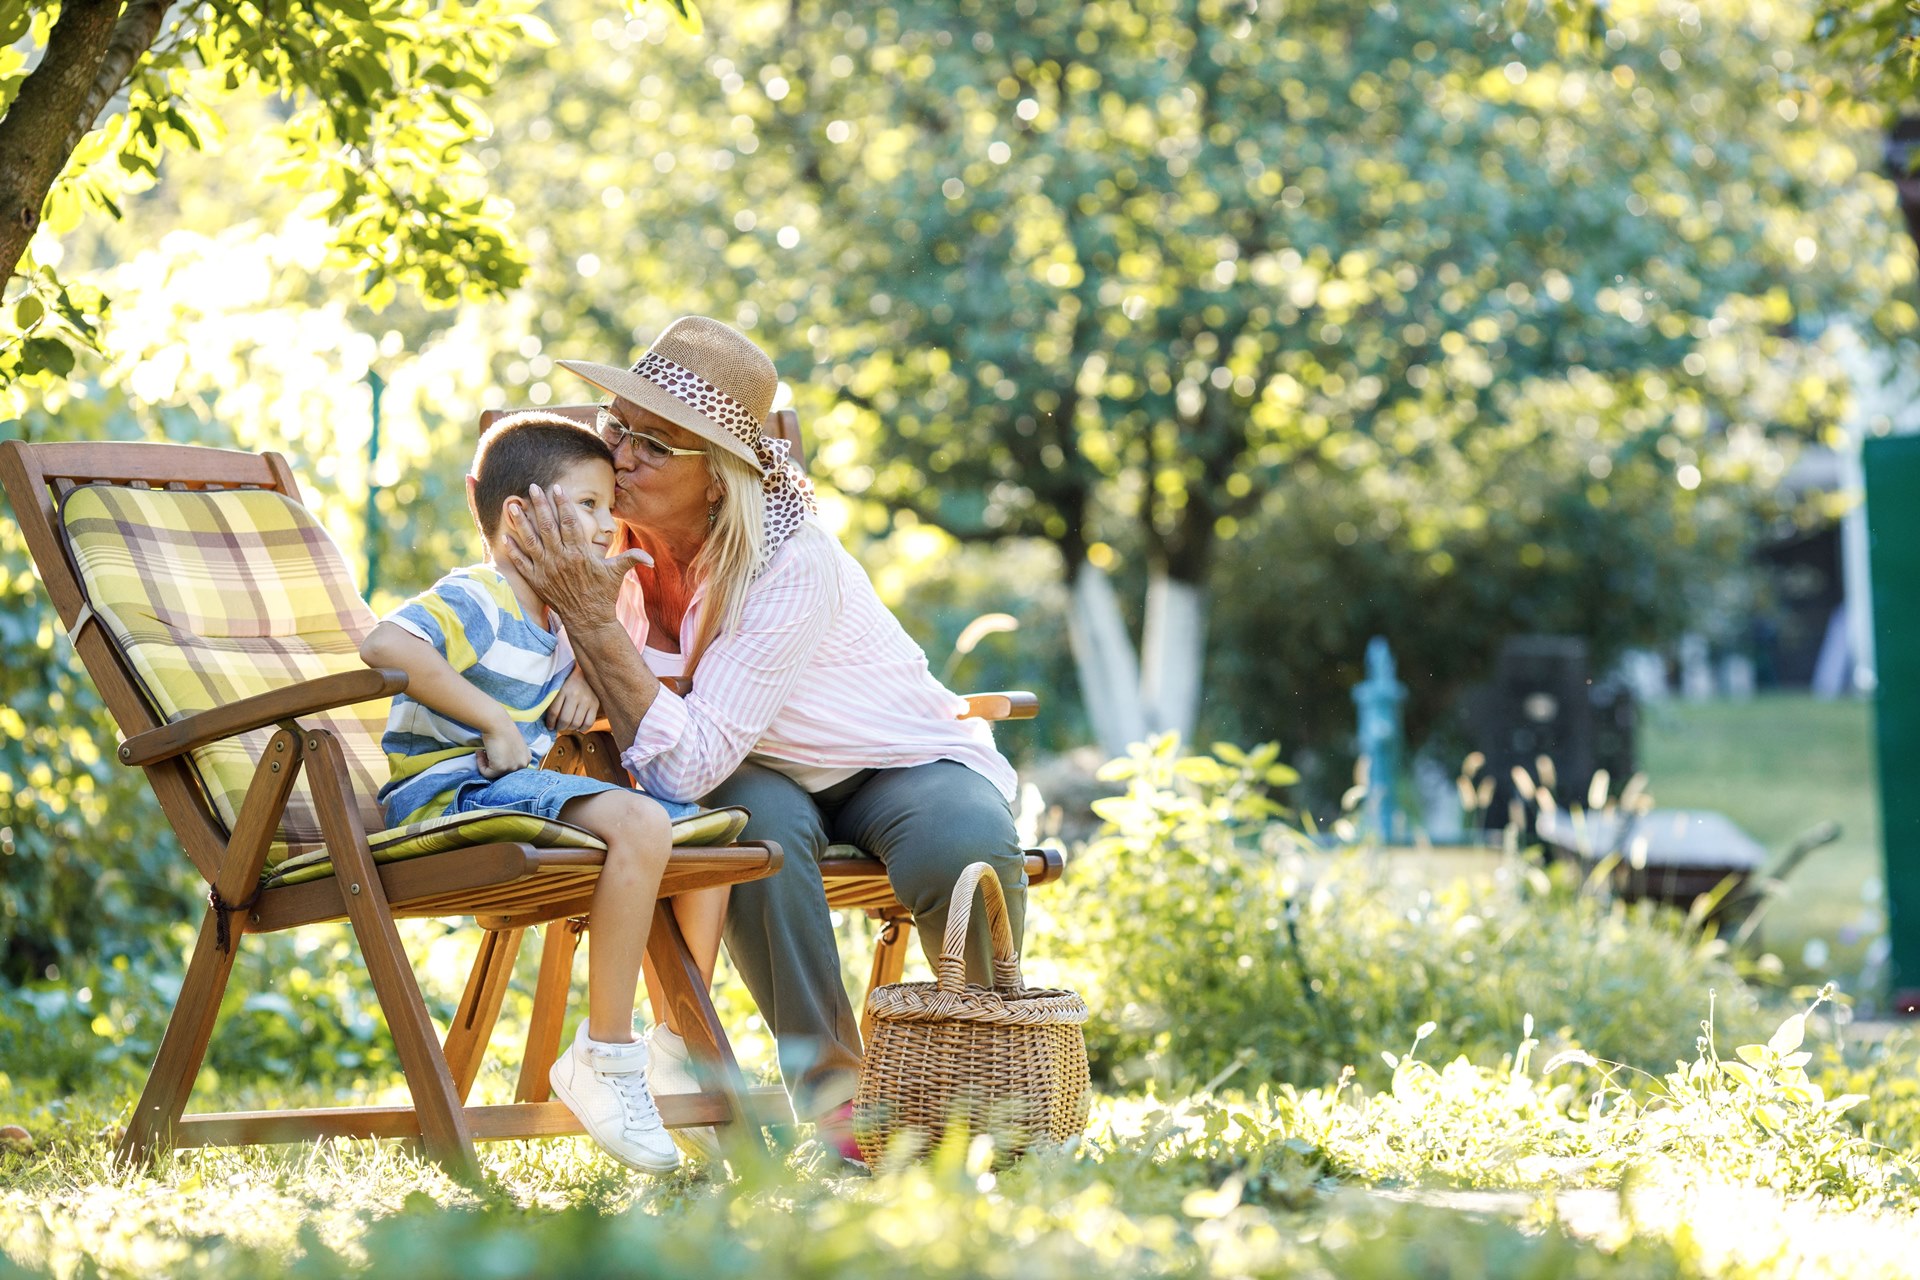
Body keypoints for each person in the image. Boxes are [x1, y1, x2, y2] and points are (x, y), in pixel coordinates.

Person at [496, 316, 1027, 1157]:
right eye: (615, 427)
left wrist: (601, 641)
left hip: (894, 758)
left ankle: (998, 1104)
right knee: (747, 834)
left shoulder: (790, 562)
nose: (622, 455)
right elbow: (675, 754)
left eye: (655, 444)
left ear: (719, 478)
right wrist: (593, 642)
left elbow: (683, 745)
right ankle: (844, 1112)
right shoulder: (599, 546)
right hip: (753, 769)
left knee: (959, 846)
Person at [360, 411, 721, 1174]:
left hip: (509, 791)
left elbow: (642, 670)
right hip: (446, 795)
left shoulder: (551, 621)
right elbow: (383, 643)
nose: (605, 526)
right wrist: (490, 716)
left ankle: (681, 1046)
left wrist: (592, 668)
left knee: (705, 830)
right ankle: (608, 1055)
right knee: (642, 821)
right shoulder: (480, 595)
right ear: (518, 514)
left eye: (608, 509)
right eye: (587, 505)